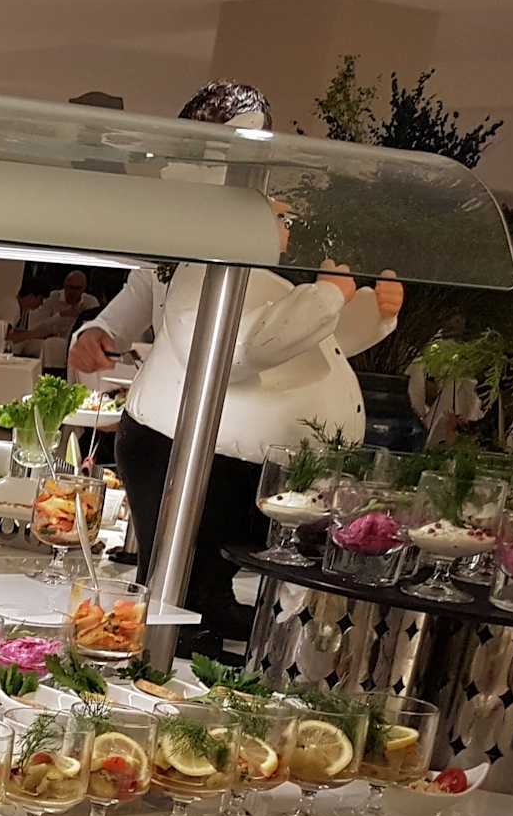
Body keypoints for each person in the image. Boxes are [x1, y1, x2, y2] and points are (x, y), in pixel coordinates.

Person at [69, 81, 405, 647]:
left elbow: (314, 341)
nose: (285, 225)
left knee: (211, 567)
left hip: (247, 455)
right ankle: (171, 633)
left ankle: (207, 609)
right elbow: (232, 345)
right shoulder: (188, 256)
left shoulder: (263, 269)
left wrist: (370, 312)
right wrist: (93, 333)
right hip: (181, 433)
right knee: (179, 567)